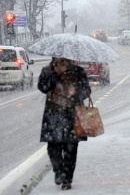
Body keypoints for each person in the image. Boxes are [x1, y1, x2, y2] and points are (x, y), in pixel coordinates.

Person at [38, 57, 91, 190]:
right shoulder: (47, 71)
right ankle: (58, 171)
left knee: (71, 149)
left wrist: (76, 92)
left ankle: (67, 179)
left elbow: (87, 90)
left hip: (72, 115)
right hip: (53, 114)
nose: (60, 59)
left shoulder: (78, 71)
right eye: (57, 57)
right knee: (52, 148)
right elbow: (43, 88)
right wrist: (55, 75)